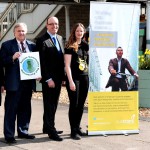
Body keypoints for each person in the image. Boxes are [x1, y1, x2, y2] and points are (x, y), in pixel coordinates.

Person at [0, 22, 36, 144]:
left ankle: (23, 131)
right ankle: (9, 135)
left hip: (28, 83)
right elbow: (1, 62)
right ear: (14, 32)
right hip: (13, 83)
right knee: (11, 110)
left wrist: (37, 73)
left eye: (23, 31)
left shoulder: (32, 45)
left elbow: (35, 63)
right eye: (19, 31)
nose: (21, 33)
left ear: (26, 32)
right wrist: (12, 58)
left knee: (25, 108)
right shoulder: (6, 45)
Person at [36, 16, 65, 141]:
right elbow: (41, 62)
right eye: (52, 24)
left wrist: (63, 77)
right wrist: (47, 79)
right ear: (47, 25)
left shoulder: (59, 38)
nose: (54, 26)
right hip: (49, 80)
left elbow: (60, 59)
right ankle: (51, 130)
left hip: (58, 78)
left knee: (54, 103)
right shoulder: (42, 40)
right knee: (49, 104)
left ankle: (47, 126)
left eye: (56, 24)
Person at [64, 23, 89, 140]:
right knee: (74, 105)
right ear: (74, 32)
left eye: (81, 31)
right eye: (77, 31)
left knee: (81, 105)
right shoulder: (69, 46)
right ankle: (73, 131)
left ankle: (78, 127)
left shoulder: (86, 45)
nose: (80, 33)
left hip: (85, 77)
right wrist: (70, 81)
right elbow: (67, 66)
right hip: (74, 78)